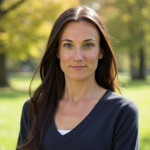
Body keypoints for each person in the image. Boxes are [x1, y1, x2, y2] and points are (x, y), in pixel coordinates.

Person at [16, 5, 139, 150]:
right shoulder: (33, 109)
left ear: (101, 52)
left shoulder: (122, 112)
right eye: (68, 45)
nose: (78, 57)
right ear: (57, 52)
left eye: (88, 45)